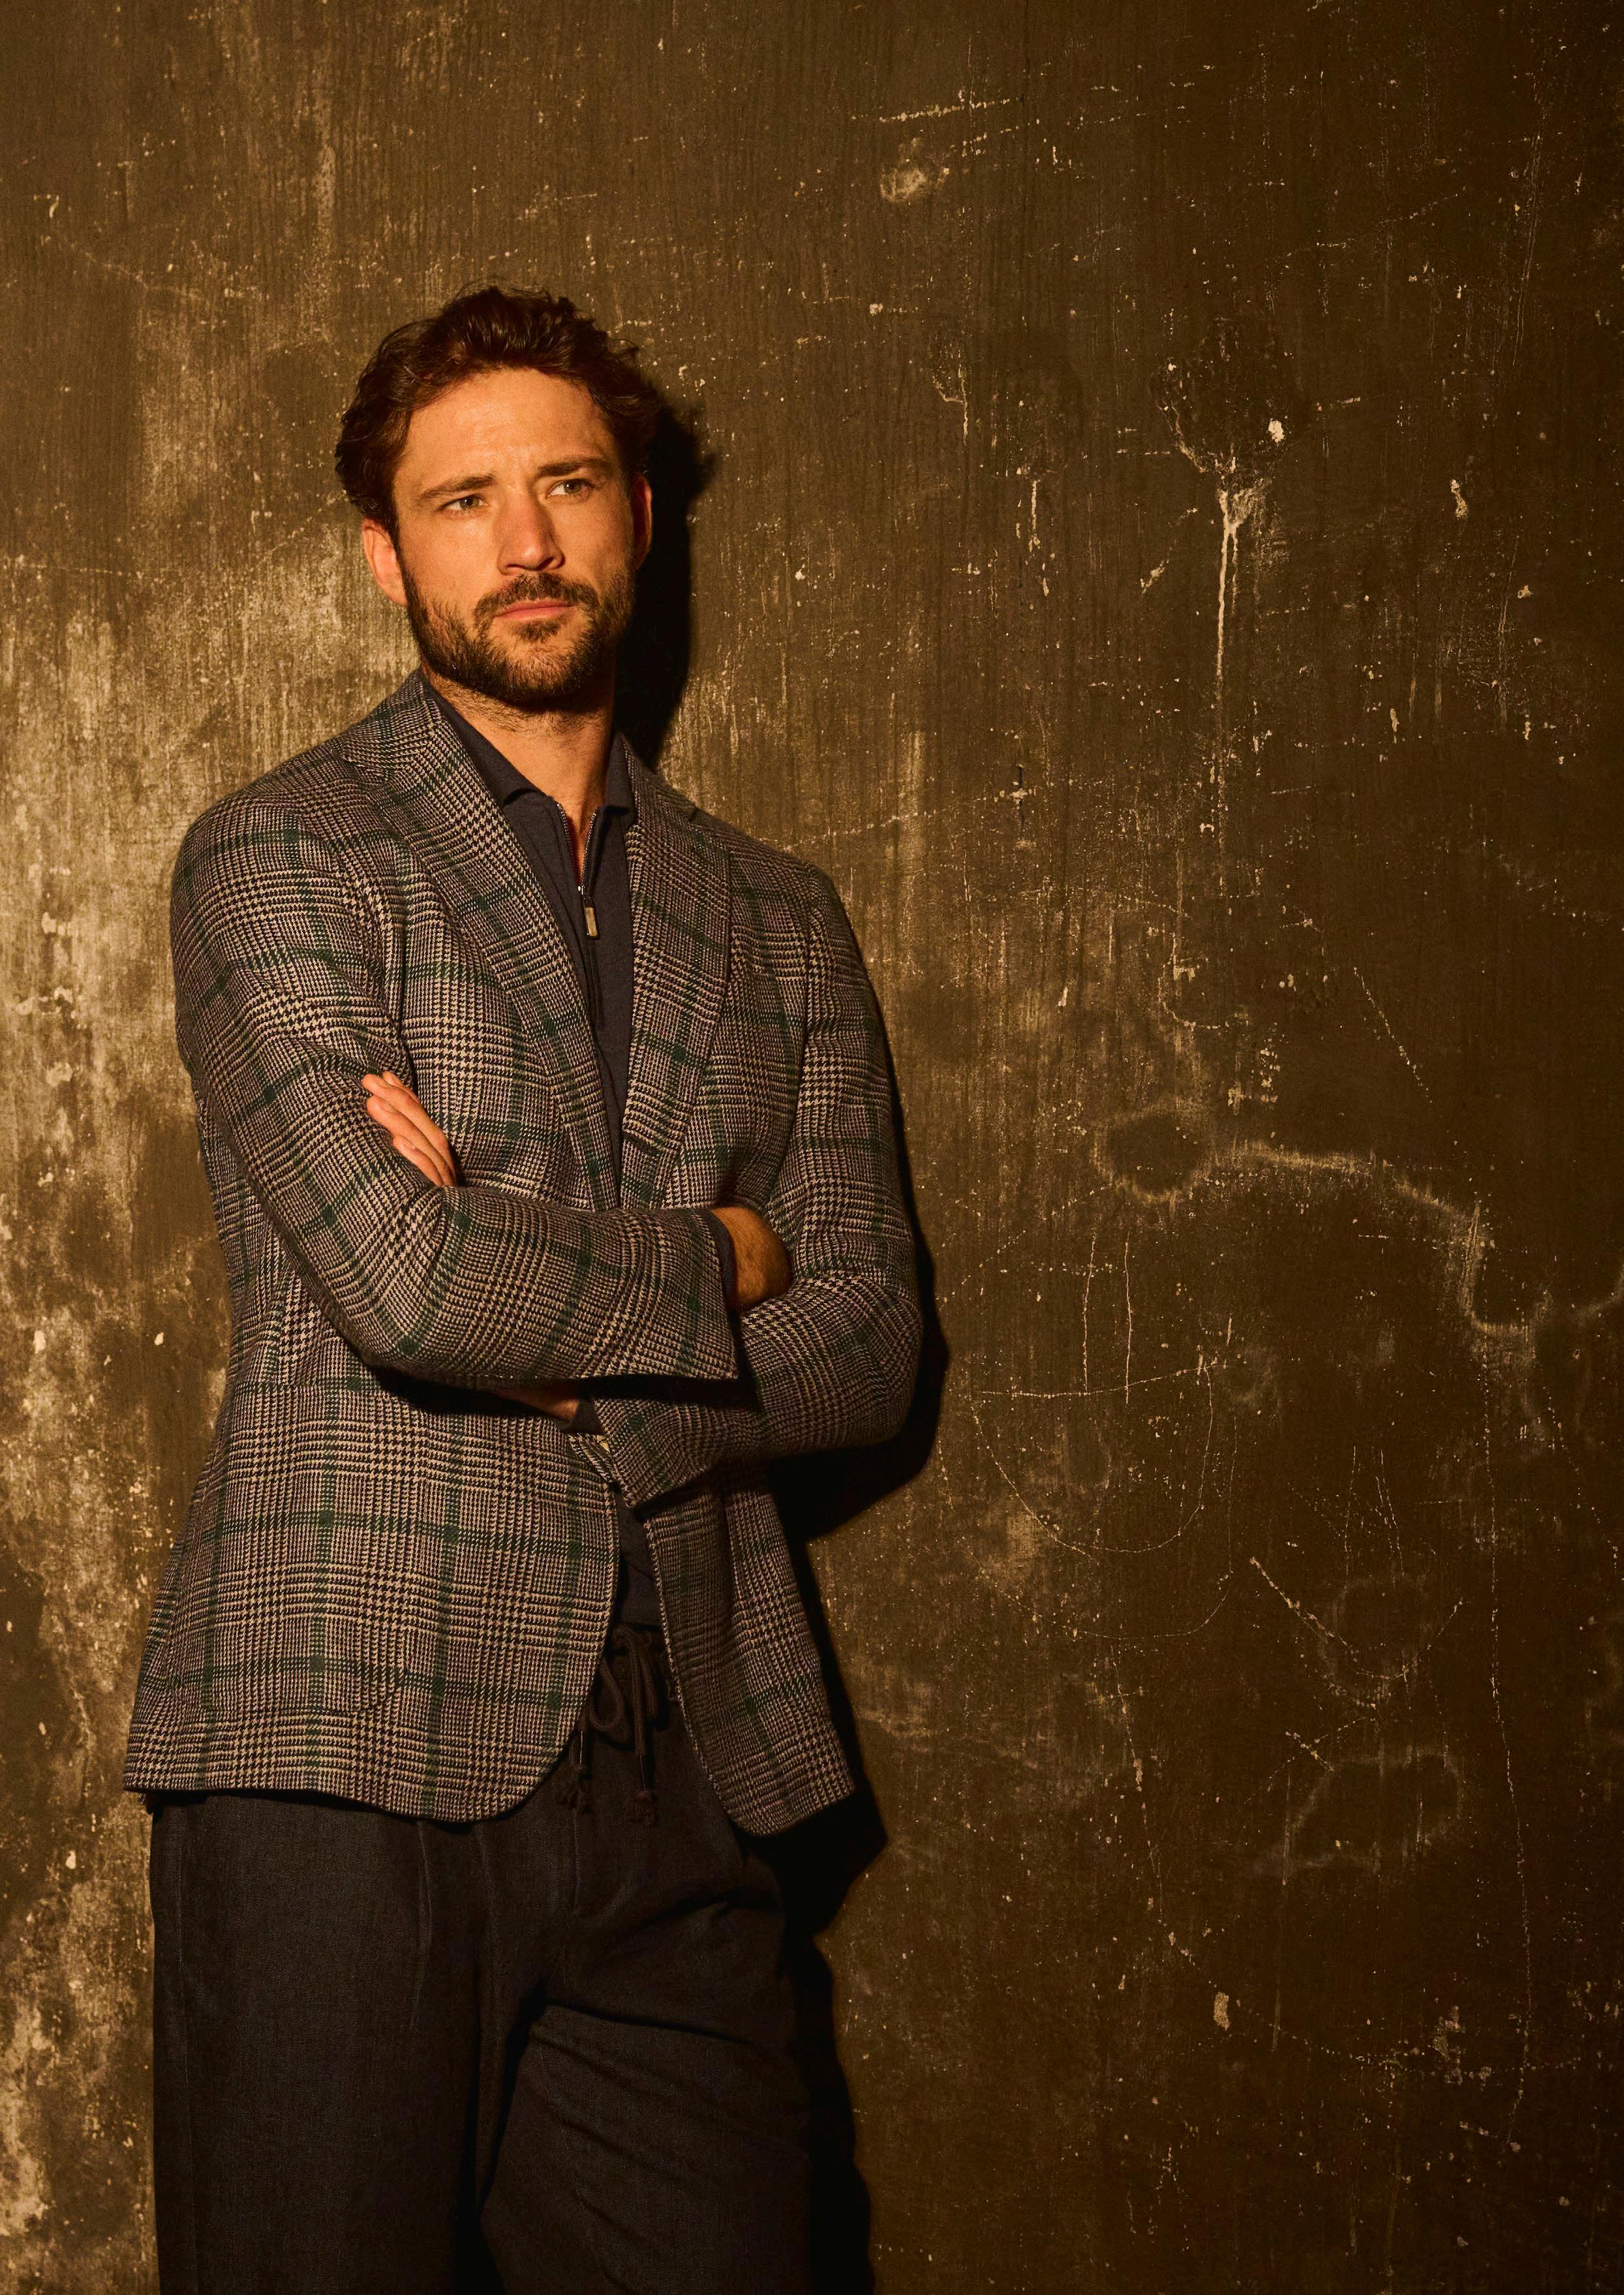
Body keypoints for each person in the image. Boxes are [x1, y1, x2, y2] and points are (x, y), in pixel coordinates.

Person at [123, 284, 921, 2295]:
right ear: (387, 555)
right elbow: (404, 1283)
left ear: (638, 514)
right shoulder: (281, 860)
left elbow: (870, 1344)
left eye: (564, 485)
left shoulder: (778, 917)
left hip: (687, 1761)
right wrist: (722, 1257)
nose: (526, 541)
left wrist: (536, 1296)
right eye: (463, 501)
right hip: (339, 1745)